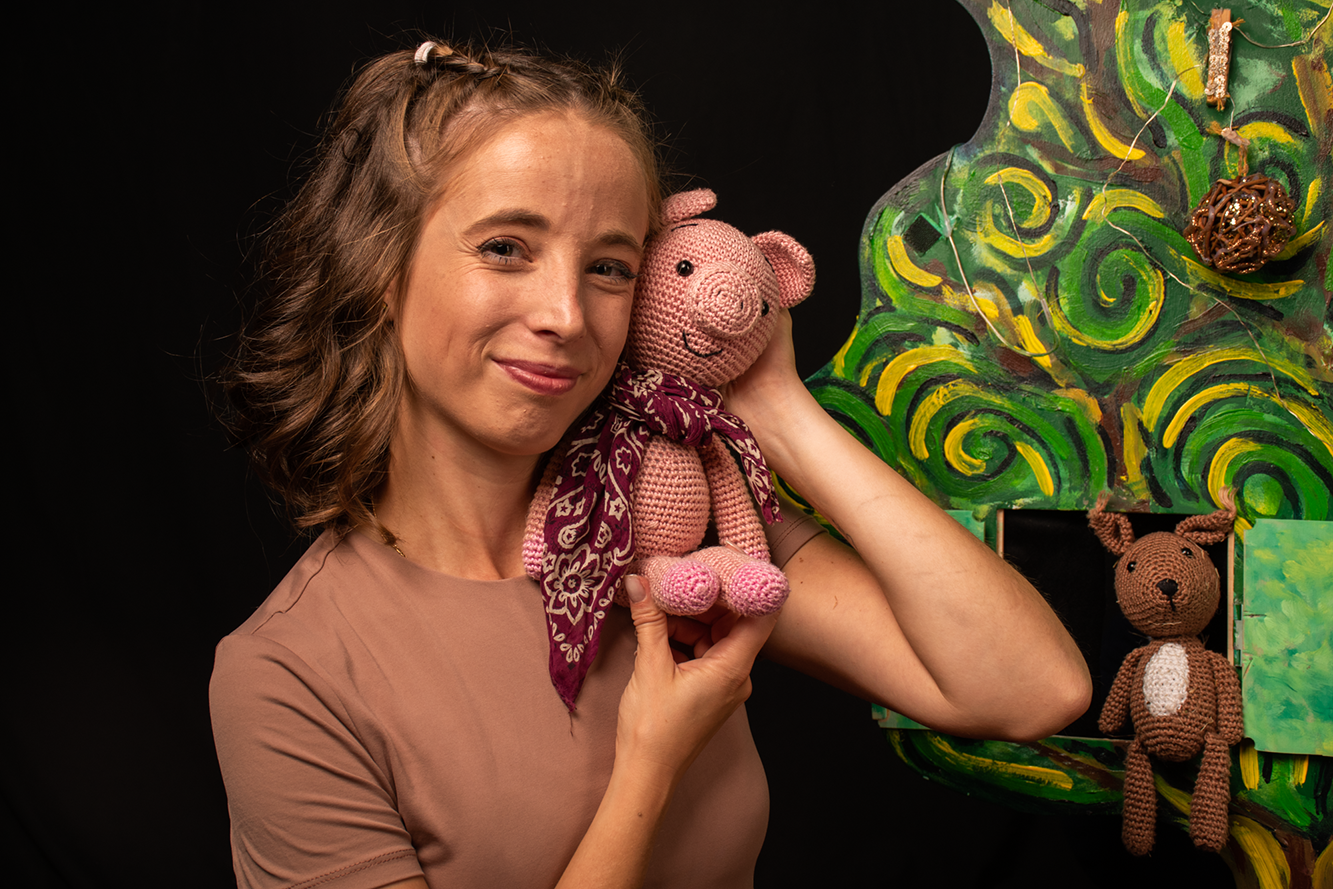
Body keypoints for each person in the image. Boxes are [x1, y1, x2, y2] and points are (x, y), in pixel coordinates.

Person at [211, 37, 1091, 889]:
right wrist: (650, 763)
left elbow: (1030, 687)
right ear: (377, 264)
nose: (565, 313)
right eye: (506, 248)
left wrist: (777, 409)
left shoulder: (671, 521)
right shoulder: (291, 674)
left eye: (608, 266)